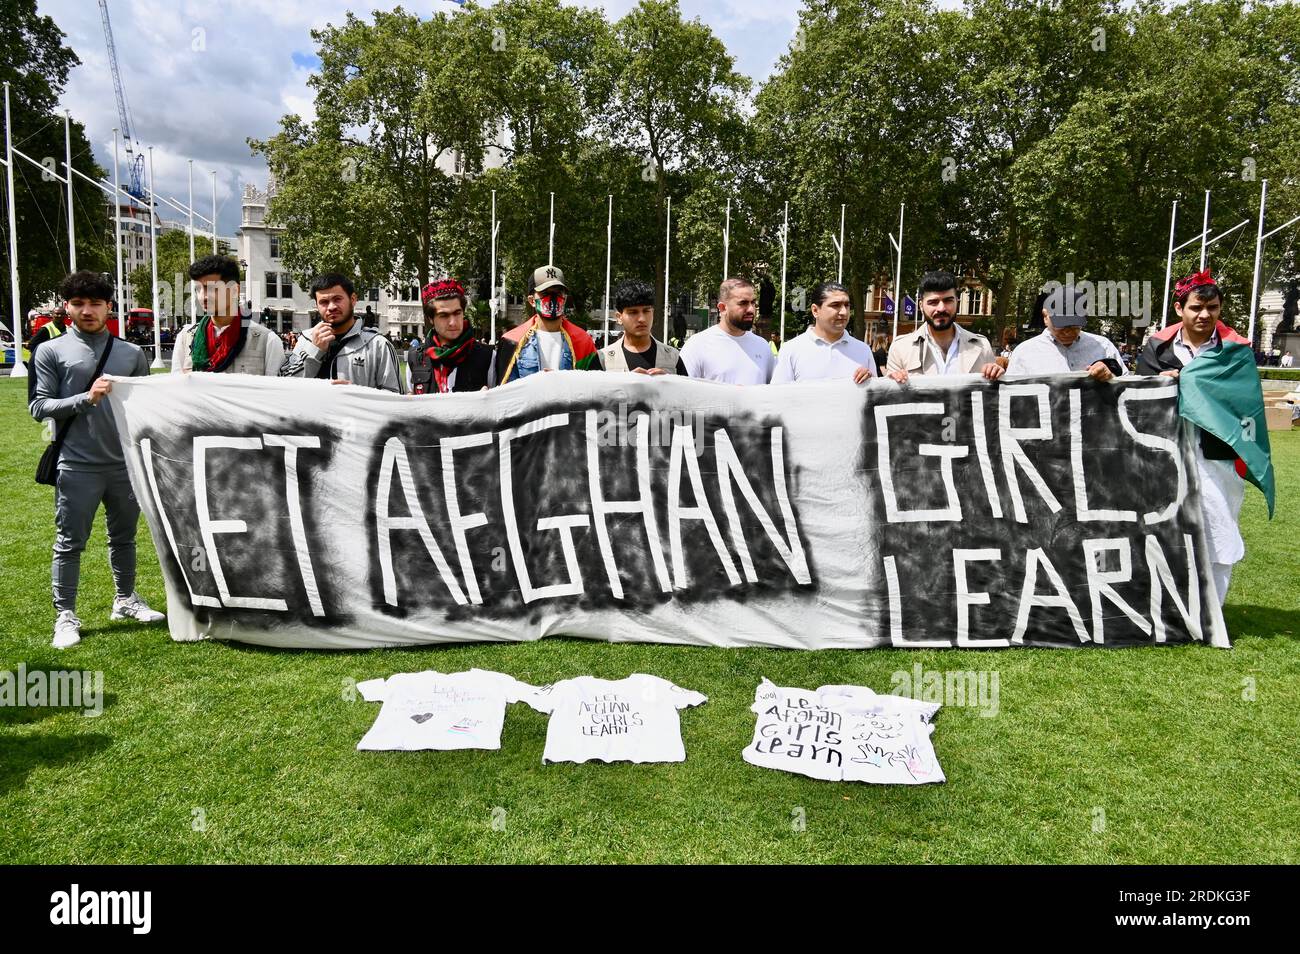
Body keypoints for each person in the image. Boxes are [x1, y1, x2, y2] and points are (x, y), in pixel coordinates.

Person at [29, 271, 164, 649]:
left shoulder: (132, 353)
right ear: (66, 307)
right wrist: (85, 398)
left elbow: (147, 406)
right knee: (69, 542)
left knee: (123, 538)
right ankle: (65, 615)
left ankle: (125, 599)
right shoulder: (49, 351)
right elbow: (39, 406)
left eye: (95, 304)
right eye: (78, 304)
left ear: (109, 307)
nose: (86, 311)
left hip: (124, 463)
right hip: (76, 463)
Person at [1135, 268, 1249, 604]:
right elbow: (1140, 397)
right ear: (1179, 308)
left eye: (1212, 308)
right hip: (1164, 452)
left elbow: (1242, 401)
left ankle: (1212, 610)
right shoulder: (1157, 349)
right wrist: (1163, 384)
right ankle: (1168, 606)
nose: (1204, 315)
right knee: (1161, 528)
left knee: (1219, 526)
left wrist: (1192, 383)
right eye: (1196, 308)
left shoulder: (1235, 350)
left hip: (1216, 455)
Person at [280, 273, 404, 392]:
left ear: (353, 299)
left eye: (337, 299)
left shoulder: (378, 345)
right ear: (316, 305)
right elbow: (284, 387)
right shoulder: (305, 339)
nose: (331, 307)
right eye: (324, 302)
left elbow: (395, 399)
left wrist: (356, 395)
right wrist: (314, 351)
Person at [173, 255, 284, 375]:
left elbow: (273, 392)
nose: (202, 296)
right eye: (198, 289)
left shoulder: (267, 341)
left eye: (211, 288)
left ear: (234, 290)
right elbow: (176, 389)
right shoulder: (185, 338)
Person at [884, 271, 1004, 382]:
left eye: (948, 300)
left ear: (957, 302)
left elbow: (992, 398)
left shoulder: (981, 346)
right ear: (921, 306)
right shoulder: (900, 348)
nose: (941, 308)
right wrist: (891, 382)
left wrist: (997, 375)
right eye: (933, 302)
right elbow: (890, 399)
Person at [491, 265, 600, 385]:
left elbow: (594, 388)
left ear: (564, 298)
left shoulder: (583, 341)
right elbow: (505, 392)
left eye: (558, 293)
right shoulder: (511, 341)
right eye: (545, 293)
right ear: (532, 301)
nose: (553, 298)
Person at [1005, 288, 1126, 380]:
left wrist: (1111, 377)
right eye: (1061, 325)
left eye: (1074, 325)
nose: (1068, 332)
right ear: (1045, 317)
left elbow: (1127, 386)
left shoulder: (1103, 347)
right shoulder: (1024, 353)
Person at [771, 281, 876, 384]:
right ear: (815, 311)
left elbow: (876, 396)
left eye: (847, 305)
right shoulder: (791, 350)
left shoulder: (863, 350)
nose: (844, 312)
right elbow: (779, 396)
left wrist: (869, 382)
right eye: (835, 305)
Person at [680, 277, 776, 384]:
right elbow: (683, 392)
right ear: (722, 308)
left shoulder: (762, 346)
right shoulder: (697, 345)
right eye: (743, 303)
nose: (751, 309)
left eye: (753, 303)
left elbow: (773, 391)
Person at [407, 279, 493, 393]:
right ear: (430, 319)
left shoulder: (488, 356)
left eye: (457, 313)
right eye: (444, 315)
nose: (453, 322)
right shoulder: (415, 357)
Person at [598, 280, 686, 375]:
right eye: (633, 312)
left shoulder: (672, 357)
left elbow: (685, 389)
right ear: (619, 317)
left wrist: (668, 382)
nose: (642, 319)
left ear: (653, 313)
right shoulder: (603, 359)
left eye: (646, 311)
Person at [25, 307, 68, 405]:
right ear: (52, 315)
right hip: (50, 365)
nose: (59, 316)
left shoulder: (68, 329)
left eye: (61, 314)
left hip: (63, 364)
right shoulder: (45, 329)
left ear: (65, 316)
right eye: (56, 314)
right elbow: (32, 344)